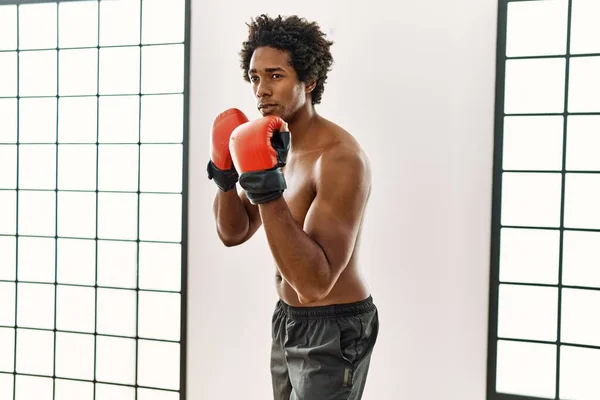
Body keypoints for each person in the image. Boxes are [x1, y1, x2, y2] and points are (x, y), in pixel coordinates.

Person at [207, 14, 379, 400]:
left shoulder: (339, 158)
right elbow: (233, 233)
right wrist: (225, 176)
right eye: (254, 77)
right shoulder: (275, 145)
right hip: (287, 318)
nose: (261, 91)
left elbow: (315, 285)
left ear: (309, 82)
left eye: (275, 76)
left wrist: (267, 189)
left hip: (335, 327)